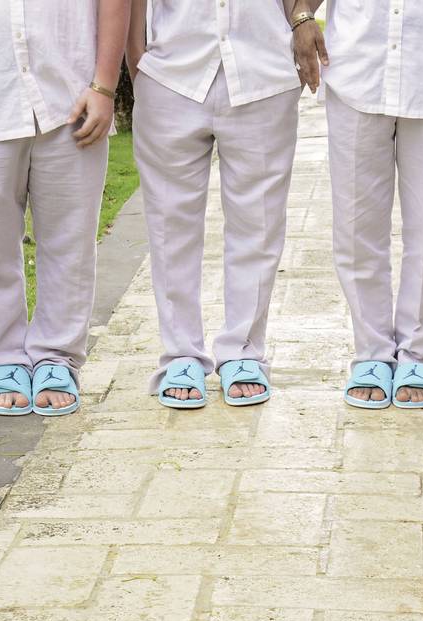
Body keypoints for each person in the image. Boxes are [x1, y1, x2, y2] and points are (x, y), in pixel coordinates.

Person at [290, 0, 423, 409]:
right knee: (357, 227)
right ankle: (372, 352)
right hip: (357, 66)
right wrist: (302, 17)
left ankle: (418, 356)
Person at [0, 0, 128, 416]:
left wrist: (104, 86)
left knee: (70, 241)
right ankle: (5, 359)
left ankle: (57, 356)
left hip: (70, 95)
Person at [126, 0, 302, 409]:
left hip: (264, 72)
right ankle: (181, 353)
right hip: (172, 73)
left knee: (258, 226)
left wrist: (298, 21)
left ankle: (243, 351)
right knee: (171, 226)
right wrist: (138, 64)